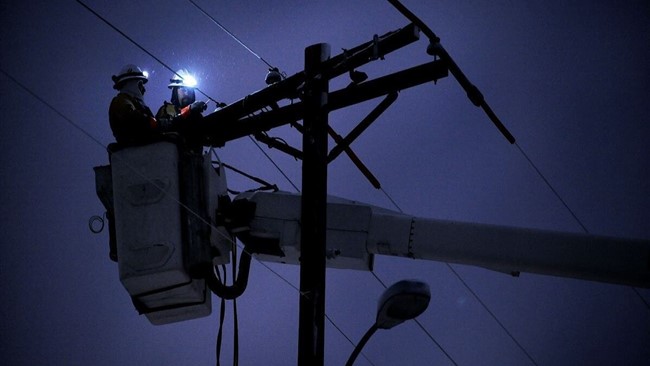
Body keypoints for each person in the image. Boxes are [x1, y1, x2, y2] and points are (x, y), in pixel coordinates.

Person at [108, 64, 205, 145]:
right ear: (131, 84)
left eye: (190, 91)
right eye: (141, 85)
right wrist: (186, 112)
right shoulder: (121, 102)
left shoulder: (138, 106)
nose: (144, 89)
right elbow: (142, 123)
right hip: (138, 154)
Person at [155, 69, 207, 146]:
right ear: (175, 92)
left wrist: (221, 115)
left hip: (194, 157)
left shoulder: (196, 116)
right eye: (183, 89)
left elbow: (209, 137)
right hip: (169, 156)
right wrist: (187, 111)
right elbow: (161, 127)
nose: (187, 92)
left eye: (190, 90)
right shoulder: (166, 110)